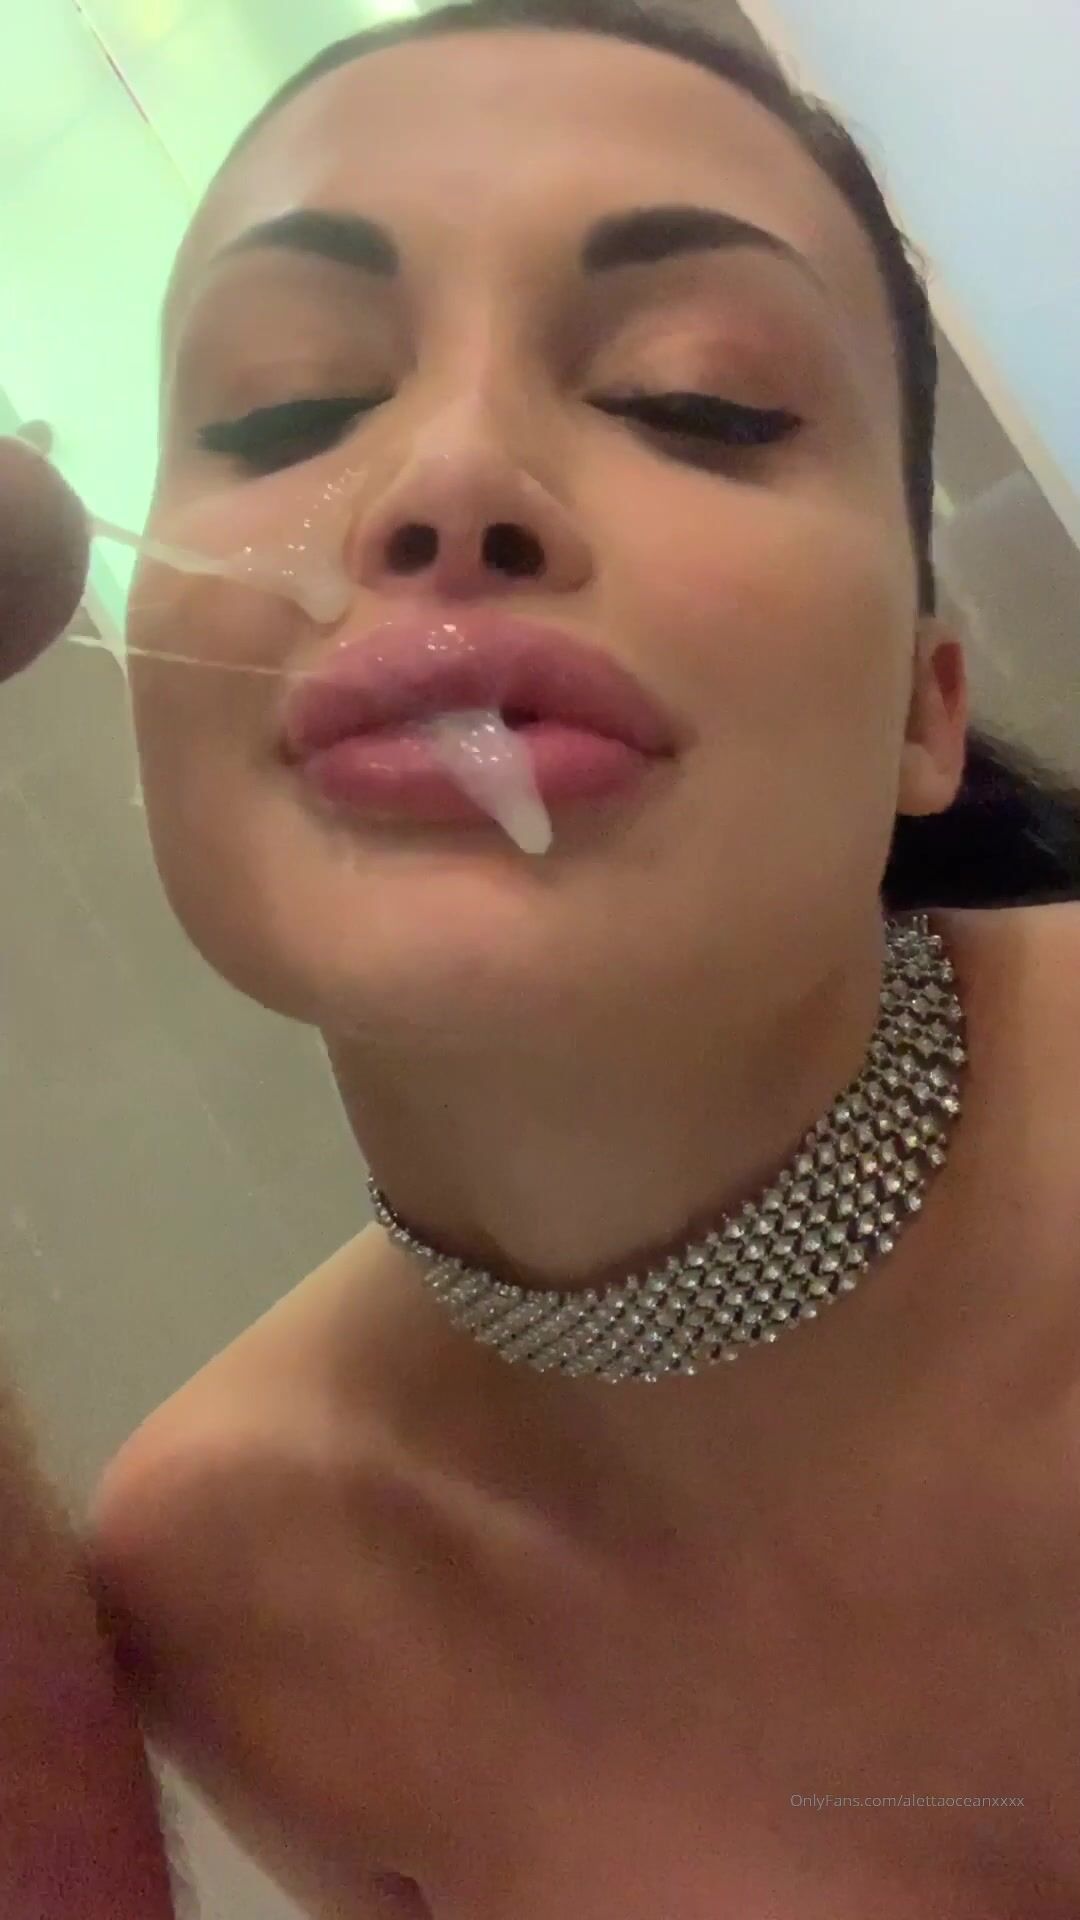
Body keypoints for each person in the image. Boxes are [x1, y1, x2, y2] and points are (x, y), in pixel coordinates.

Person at [4, 1, 1080, 1914]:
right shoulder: (242, 1587)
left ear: (927, 708)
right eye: (283, 406)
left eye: (697, 398)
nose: (445, 480)